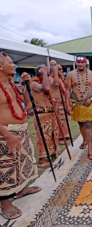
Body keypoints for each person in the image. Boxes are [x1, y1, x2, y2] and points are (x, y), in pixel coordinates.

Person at [0, 52, 40, 220]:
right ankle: (5, 203)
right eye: (11, 63)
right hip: (5, 134)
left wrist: (26, 85)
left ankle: (21, 189)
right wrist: (7, 135)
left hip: (20, 130)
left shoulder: (10, 82)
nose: (15, 65)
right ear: (0, 66)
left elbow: (23, 102)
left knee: (23, 163)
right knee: (6, 168)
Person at [65, 55, 92, 160]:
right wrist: (67, 105)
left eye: (82, 62)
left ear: (86, 63)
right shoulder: (70, 74)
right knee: (81, 124)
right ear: (76, 63)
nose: (80, 64)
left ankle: (90, 149)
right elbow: (67, 90)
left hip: (88, 104)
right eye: (78, 62)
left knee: (88, 125)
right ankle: (84, 140)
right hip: (76, 103)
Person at [31, 65, 60, 168]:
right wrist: (43, 73)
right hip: (41, 113)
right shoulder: (34, 83)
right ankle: (41, 159)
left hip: (50, 112)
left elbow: (55, 84)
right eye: (44, 70)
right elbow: (46, 89)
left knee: (52, 134)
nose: (47, 71)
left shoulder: (45, 80)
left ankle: (51, 152)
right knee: (43, 136)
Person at [49, 64, 70, 145]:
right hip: (56, 101)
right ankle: (60, 137)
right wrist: (55, 73)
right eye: (59, 69)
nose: (62, 70)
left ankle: (66, 135)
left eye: (61, 69)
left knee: (65, 120)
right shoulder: (51, 78)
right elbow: (56, 84)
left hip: (63, 101)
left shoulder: (60, 78)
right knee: (59, 120)